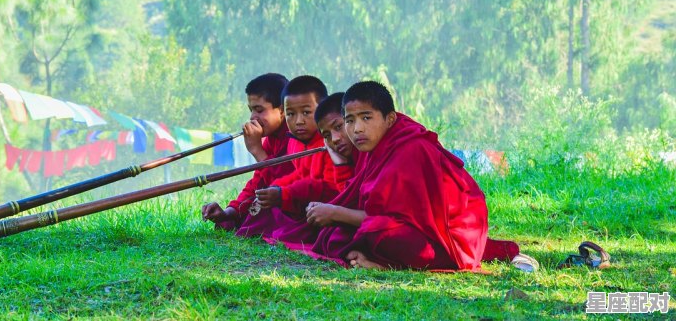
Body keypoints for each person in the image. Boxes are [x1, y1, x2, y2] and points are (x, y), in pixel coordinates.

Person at [287, 81, 490, 270]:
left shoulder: (410, 149)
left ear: (390, 119)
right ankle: (375, 257)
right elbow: (366, 204)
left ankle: (382, 264)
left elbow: (396, 219)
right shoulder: (375, 147)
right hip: (407, 228)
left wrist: (335, 213)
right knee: (335, 235)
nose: (357, 129)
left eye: (366, 118)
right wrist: (334, 212)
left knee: (377, 232)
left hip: (451, 239)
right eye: (350, 120)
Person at [236, 77, 353, 237]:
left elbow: (330, 189)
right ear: (285, 112)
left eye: (306, 112)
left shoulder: (331, 142)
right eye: (291, 114)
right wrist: (276, 188)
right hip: (306, 202)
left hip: (329, 206)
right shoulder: (294, 141)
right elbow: (298, 174)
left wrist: (283, 193)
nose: (298, 121)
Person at [201, 73, 291, 229]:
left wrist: (256, 149)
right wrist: (229, 212)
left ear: (282, 110)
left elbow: (284, 185)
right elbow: (258, 183)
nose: (252, 117)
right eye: (251, 110)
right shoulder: (272, 138)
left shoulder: (296, 136)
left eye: (259, 110)